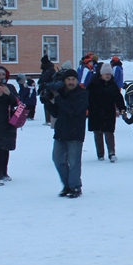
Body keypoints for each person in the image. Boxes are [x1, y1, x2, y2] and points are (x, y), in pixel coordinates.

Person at [44, 68, 89, 198]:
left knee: (74, 161)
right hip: (61, 131)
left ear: (77, 80)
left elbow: (72, 109)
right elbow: (56, 113)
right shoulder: (61, 94)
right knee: (58, 160)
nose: (70, 82)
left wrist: (57, 98)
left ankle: (75, 186)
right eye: (68, 79)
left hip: (75, 132)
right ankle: (67, 185)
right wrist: (47, 101)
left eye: (73, 79)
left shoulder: (82, 94)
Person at [87, 62, 126, 162]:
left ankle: (111, 152)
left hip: (108, 112)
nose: (108, 76)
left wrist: (122, 107)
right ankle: (100, 153)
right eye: (106, 74)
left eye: (109, 74)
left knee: (109, 133)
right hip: (95, 112)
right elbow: (87, 97)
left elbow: (118, 98)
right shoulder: (93, 85)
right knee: (98, 133)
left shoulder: (113, 86)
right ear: (101, 74)